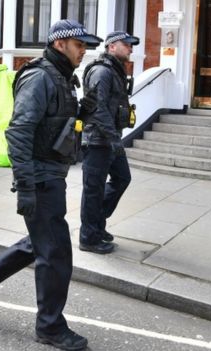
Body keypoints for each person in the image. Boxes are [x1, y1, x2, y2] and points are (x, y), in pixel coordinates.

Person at [0, 19, 102, 351]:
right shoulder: (41, 76)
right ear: (60, 44)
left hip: (52, 174)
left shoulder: (62, 77)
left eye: (85, 46)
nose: (84, 51)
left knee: (41, 243)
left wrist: (82, 111)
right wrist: (25, 185)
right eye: (79, 45)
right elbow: (20, 131)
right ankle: (50, 327)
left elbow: (52, 125)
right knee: (55, 253)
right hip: (40, 178)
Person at [78, 31, 138, 255]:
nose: (131, 49)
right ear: (112, 47)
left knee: (123, 178)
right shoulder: (102, 72)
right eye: (127, 45)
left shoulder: (115, 70)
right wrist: (114, 140)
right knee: (93, 189)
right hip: (97, 141)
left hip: (110, 139)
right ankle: (88, 237)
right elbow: (98, 108)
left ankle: (97, 223)